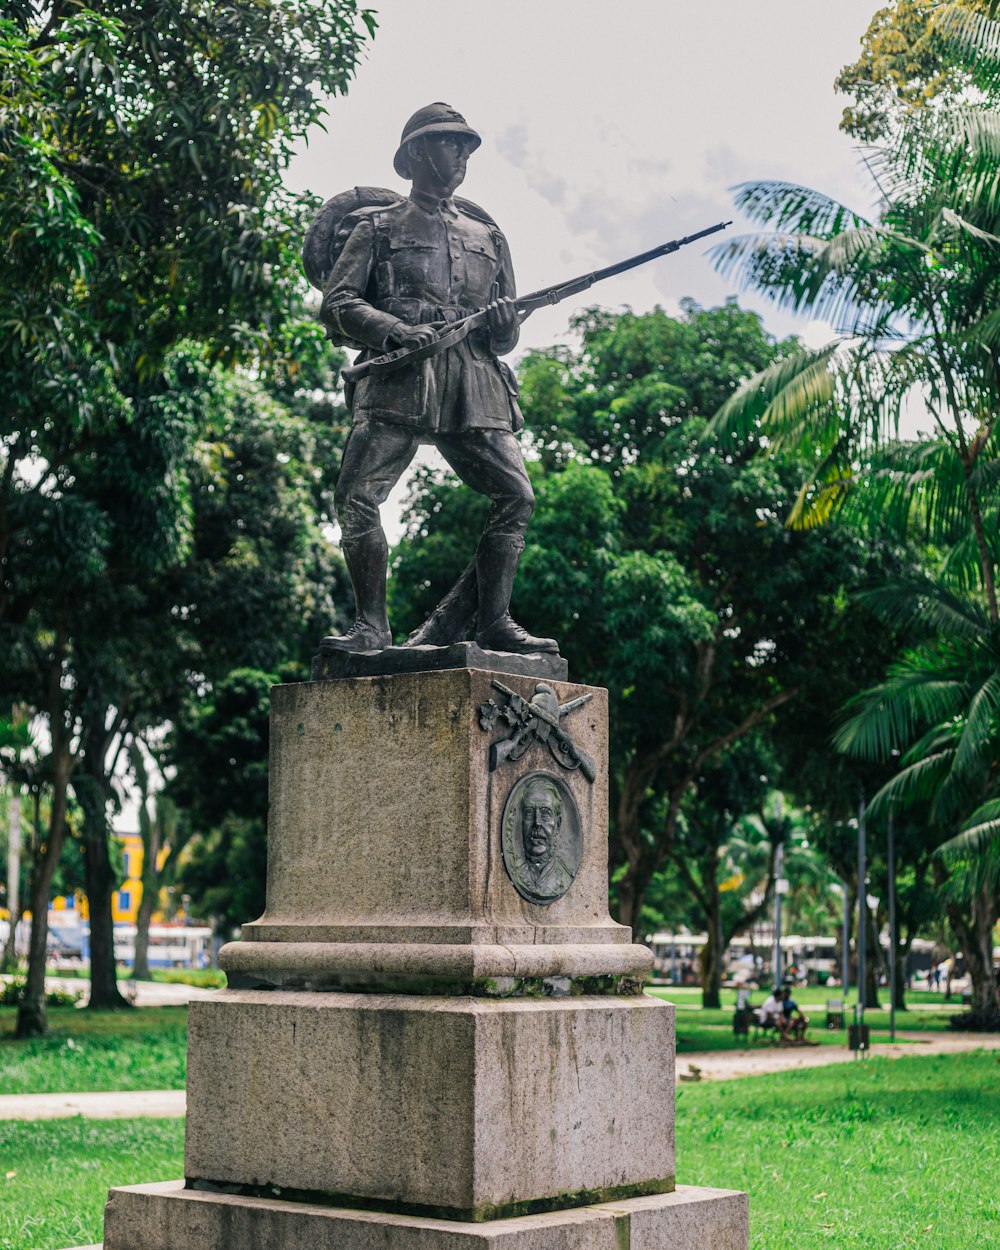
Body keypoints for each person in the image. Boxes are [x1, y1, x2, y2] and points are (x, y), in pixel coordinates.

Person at [319, 102, 557, 656]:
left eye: (468, 147)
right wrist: (392, 331)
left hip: (473, 382)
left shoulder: (489, 237)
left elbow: (507, 331)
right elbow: (338, 303)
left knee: (516, 495)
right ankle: (371, 627)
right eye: (453, 144)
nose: (463, 157)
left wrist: (502, 329)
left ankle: (493, 620)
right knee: (356, 495)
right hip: (399, 380)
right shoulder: (376, 228)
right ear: (419, 153)